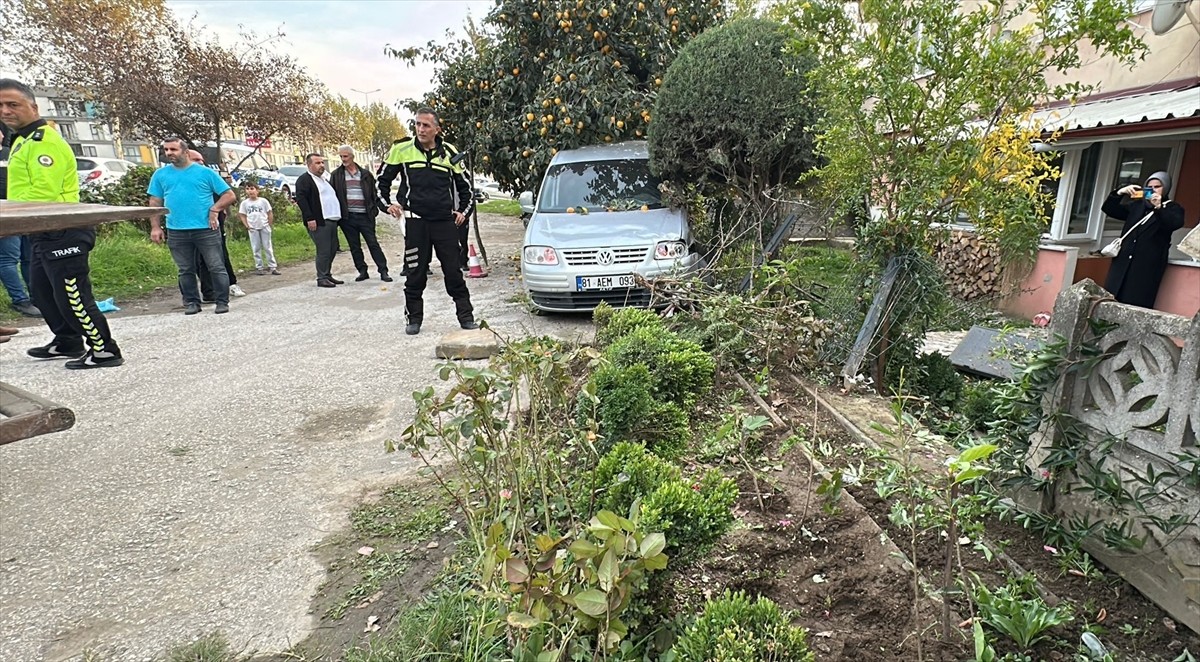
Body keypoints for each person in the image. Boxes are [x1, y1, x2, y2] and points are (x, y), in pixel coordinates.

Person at [0, 78, 123, 368]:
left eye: (12, 104)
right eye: (1, 106)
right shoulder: (23, 141)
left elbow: (44, 192)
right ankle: (67, 340)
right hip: (40, 229)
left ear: (33, 106)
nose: (5, 111)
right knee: (42, 292)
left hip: (63, 229)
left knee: (72, 295)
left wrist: (6, 211)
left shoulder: (47, 141)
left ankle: (105, 349)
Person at [378, 107, 477, 335]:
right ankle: (413, 319)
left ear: (437, 129)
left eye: (426, 125)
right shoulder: (401, 149)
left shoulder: (450, 152)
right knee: (415, 273)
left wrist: (464, 211)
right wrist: (388, 205)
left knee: (453, 272)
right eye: (418, 124)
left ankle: (466, 316)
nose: (420, 129)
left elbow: (467, 189)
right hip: (416, 223)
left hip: (444, 223)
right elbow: (380, 182)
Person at [147, 137, 237, 315]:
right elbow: (155, 201)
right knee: (185, 269)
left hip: (205, 229)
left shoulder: (205, 173)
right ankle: (191, 302)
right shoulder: (160, 175)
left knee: (215, 266)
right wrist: (155, 227)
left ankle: (221, 301)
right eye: (166, 150)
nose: (169, 153)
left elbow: (229, 195)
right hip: (176, 229)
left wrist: (215, 208)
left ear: (185, 152)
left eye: (173, 149)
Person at [1101, 171, 1186, 309]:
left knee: (1136, 304)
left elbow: (1174, 223)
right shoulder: (1137, 206)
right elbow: (1109, 209)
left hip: (1146, 268)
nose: (1152, 190)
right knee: (1111, 300)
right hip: (1122, 263)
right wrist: (1119, 193)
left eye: (1157, 187)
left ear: (1166, 188)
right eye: (1149, 186)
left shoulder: (1172, 208)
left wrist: (1159, 207)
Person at [187, 150, 245, 300]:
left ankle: (231, 284)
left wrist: (220, 210)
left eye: (201, 159)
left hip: (213, 224)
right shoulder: (182, 179)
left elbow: (227, 195)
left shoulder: (208, 175)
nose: (200, 162)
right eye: (195, 160)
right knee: (197, 260)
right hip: (190, 226)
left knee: (220, 255)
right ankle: (207, 292)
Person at [331, 145, 391, 282]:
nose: (343, 159)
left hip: (365, 216)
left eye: (345, 156)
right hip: (348, 217)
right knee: (354, 246)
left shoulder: (365, 174)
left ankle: (383, 270)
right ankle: (362, 271)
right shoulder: (336, 175)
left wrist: (377, 209)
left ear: (352, 156)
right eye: (341, 156)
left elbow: (374, 193)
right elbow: (333, 196)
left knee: (373, 243)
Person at [0, 122, 39, 317]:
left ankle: (37, 297)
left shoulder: (12, 152)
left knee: (28, 257)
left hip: (22, 209)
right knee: (8, 258)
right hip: (3, 215)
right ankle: (20, 300)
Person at [294, 152, 343, 288]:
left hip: (331, 219)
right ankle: (321, 277)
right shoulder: (305, 180)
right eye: (317, 163)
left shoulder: (323, 178)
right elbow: (302, 200)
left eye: (322, 162)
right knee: (324, 250)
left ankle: (327, 274)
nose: (321, 165)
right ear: (309, 165)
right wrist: (310, 218)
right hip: (319, 221)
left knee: (333, 248)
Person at [237, 182, 279, 275]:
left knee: (267, 247)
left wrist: (269, 223)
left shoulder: (263, 201)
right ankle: (259, 267)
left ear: (257, 190)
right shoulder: (245, 203)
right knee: (256, 247)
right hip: (253, 228)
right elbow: (242, 215)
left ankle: (272, 266)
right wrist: (247, 225)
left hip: (264, 226)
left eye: (252, 188)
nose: (250, 191)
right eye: (247, 189)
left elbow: (269, 212)